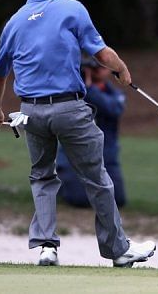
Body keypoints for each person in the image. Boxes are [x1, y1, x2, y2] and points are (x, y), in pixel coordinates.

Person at [0, 0, 155, 267]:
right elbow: (101, 53)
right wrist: (122, 69)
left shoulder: (14, 20)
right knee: (97, 179)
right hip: (69, 108)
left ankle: (47, 247)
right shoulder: (73, 8)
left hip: (30, 113)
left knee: (42, 177)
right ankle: (118, 250)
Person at [56, 58, 127, 208]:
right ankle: (62, 184)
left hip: (106, 155)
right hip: (75, 155)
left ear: (110, 70)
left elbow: (113, 109)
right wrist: (83, 86)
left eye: (103, 66)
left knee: (118, 199)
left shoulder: (115, 94)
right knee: (78, 200)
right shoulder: (73, 92)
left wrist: (90, 89)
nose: (98, 69)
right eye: (94, 66)